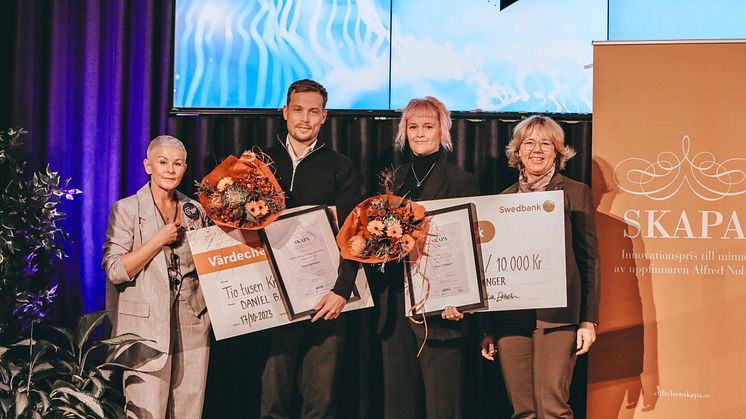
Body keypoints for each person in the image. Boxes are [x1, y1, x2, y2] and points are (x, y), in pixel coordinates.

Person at [480, 115, 600, 418]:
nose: (537, 149)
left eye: (546, 143)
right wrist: (488, 327)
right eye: (529, 143)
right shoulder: (502, 200)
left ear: (558, 151)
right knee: (523, 410)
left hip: (558, 319)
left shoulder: (575, 192)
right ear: (517, 152)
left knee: (552, 408)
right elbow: (492, 268)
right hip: (511, 320)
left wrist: (588, 320)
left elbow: (589, 261)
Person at [368, 96, 479, 419]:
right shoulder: (393, 179)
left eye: (428, 126)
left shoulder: (461, 181)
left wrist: (463, 300)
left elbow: (470, 248)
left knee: (442, 408)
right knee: (398, 406)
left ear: (442, 130)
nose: (419, 133)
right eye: (413, 126)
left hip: (440, 310)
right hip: (396, 310)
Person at [261, 79, 361, 419]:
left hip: (325, 300)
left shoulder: (340, 166)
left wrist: (341, 291)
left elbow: (354, 234)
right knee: (272, 400)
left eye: (313, 111)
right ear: (285, 112)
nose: (305, 118)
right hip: (273, 298)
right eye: (298, 110)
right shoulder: (259, 163)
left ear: (324, 117)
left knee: (320, 404)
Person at [102, 135, 211, 418]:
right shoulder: (126, 209)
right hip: (145, 332)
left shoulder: (195, 210)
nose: (170, 170)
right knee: (146, 411)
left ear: (185, 168)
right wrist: (157, 240)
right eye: (163, 162)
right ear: (148, 166)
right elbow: (115, 269)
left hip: (192, 327)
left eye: (177, 164)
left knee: (189, 410)